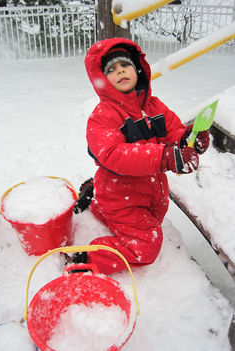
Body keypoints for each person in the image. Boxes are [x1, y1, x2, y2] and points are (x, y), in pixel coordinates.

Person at [71, 38, 209, 275]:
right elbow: (114, 155)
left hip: (150, 194)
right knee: (146, 246)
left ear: (137, 69)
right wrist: (166, 157)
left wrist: (188, 140)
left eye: (125, 64)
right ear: (103, 80)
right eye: (111, 70)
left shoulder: (154, 106)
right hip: (121, 198)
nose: (120, 71)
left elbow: (173, 132)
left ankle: (94, 195)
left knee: (152, 220)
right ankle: (86, 257)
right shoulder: (103, 115)